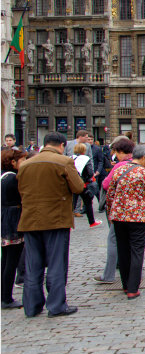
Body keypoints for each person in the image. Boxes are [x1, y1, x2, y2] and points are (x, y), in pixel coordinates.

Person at [17, 132, 85, 317]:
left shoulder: (26, 164)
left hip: (30, 220)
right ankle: (56, 305)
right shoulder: (64, 162)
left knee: (33, 264)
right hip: (56, 219)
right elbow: (78, 187)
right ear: (62, 145)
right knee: (56, 263)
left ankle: (32, 306)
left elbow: (21, 190)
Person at [106, 145, 145, 300]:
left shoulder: (118, 170)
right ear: (144, 158)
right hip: (137, 217)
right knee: (136, 250)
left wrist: (112, 210)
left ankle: (125, 284)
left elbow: (110, 193)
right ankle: (133, 288)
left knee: (123, 250)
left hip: (119, 215)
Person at [94, 137, 135, 284]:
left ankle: (109, 274)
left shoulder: (119, 167)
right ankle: (134, 271)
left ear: (120, 152)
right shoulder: (140, 164)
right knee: (134, 241)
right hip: (137, 212)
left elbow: (105, 185)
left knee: (113, 240)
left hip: (120, 210)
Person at [2, 149, 29, 309]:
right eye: (22, 160)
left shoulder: (4, 176)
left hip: (6, 217)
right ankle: (6, 297)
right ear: (13, 162)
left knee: (6, 259)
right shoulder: (12, 178)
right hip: (12, 219)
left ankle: (4, 295)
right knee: (11, 260)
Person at [70, 143, 102, 228]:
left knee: (71, 204)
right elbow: (90, 172)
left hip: (73, 183)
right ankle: (92, 222)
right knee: (88, 203)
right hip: (83, 184)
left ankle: (69, 225)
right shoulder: (86, 159)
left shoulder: (71, 158)